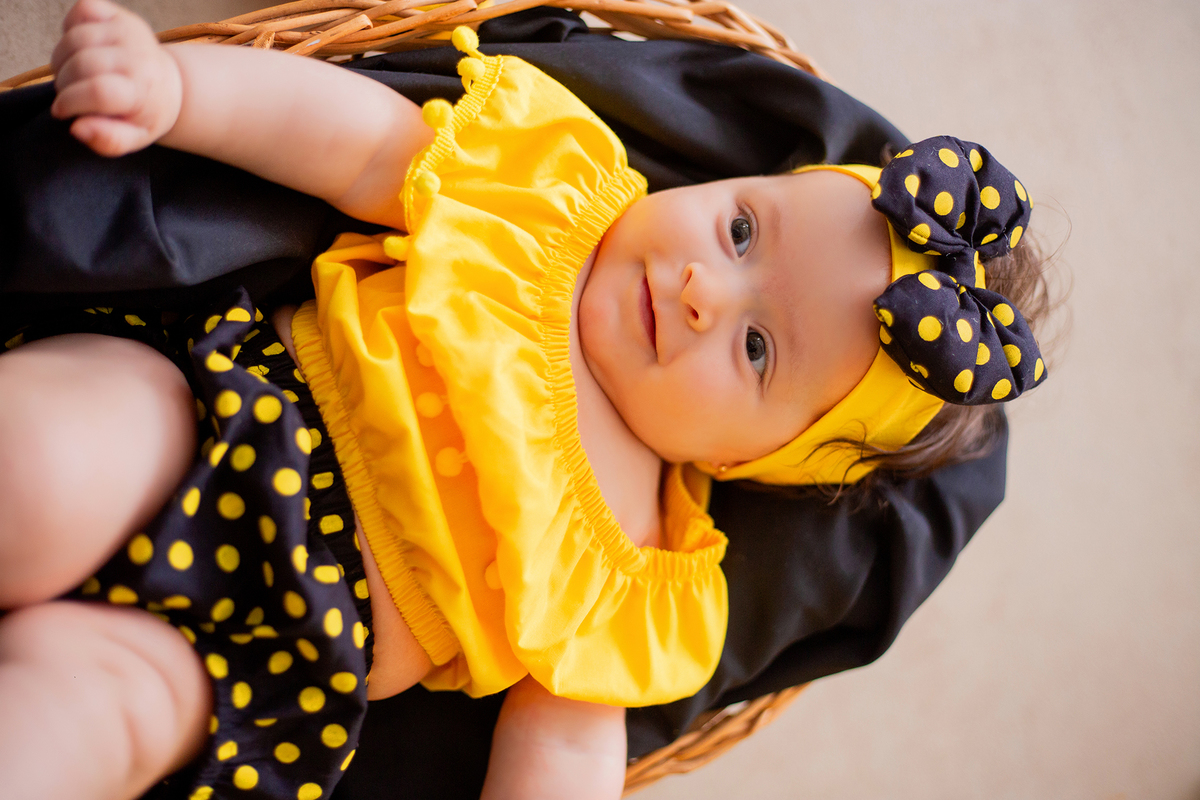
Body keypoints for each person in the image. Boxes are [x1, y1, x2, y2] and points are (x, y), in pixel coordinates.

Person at [0, 1, 1049, 799]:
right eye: (740, 231)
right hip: (221, 420)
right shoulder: (550, 192)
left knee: (96, 715)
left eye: (759, 348)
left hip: (268, 649)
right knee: (46, 456)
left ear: (745, 461)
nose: (700, 291)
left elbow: (563, 742)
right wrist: (181, 92)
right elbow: (359, 139)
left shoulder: (641, 574)